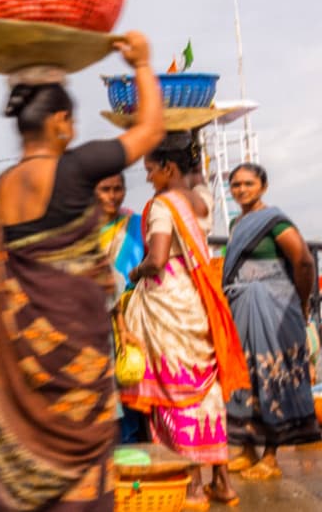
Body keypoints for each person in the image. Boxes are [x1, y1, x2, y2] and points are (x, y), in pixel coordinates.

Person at [0, 32, 164, 511]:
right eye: (72, 119)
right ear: (61, 121)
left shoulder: (4, 186)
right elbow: (150, 132)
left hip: (25, 355)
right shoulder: (77, 167)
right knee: (80, 464)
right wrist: (142, 64)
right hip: (76, 350)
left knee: (28, 443)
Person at [120, 132, 251, 510]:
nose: (147, 178)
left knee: (175, 393)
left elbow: (158, 258)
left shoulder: (163, 204)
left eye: (150, 170)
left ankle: (192, 486)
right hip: (198, 300)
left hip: (169, 303)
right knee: (205, 390)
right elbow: (197, 177)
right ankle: (222, 482)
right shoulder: (203, 200)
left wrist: (136, 273)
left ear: (168, 167)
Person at [223, 163, 320, 480]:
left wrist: (300, 301)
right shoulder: (237, 223)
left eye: (248, 184)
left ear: (263, 186)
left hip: (274, 309)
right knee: (246, 377)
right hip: (243, 309)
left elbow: (304, 260)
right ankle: (248, 449)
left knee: (272, 375)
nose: (241, 190)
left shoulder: (275, 221)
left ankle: (270, 457)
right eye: (235, 184)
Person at [95, 174, 148, 444]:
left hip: (136, 314)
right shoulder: (83, 233)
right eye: (105, 189)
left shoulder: (138, 226)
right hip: (95, 319)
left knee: (133, 380)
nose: (112, 195)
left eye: (118, 189)